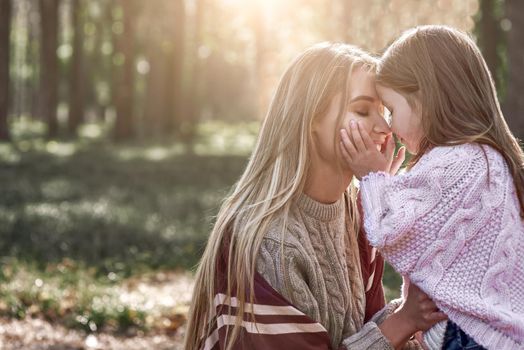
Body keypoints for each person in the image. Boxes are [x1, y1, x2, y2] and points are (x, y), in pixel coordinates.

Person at [184, 42, 446, 350]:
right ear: (311, 120)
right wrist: (403, 321)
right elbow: (387, 331)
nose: (384, 127)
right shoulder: (267, 244)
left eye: (384, 112)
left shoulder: (357, 214)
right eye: (363, 110)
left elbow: (370, 328)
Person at [340, 25, 524, 350]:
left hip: (470, 337)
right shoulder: (480, 157)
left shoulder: (457, 161)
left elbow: (390, 231)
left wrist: (371, 177)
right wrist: (391, 185)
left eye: (393, 110)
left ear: (424, 97)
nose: (390, 127)